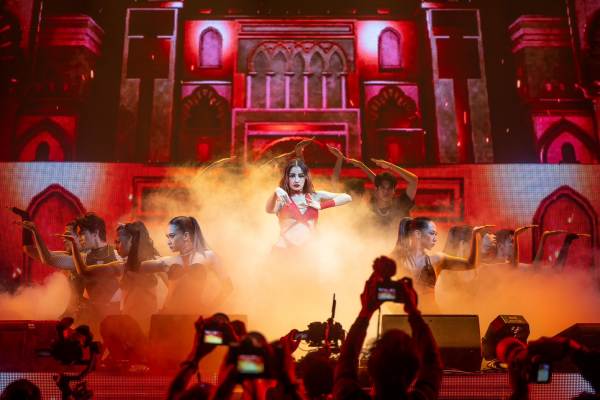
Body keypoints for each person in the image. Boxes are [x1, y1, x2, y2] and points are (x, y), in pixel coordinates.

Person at [333, 256, 443, 400]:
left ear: (370, 368)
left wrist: (365, 311)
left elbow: (345, 363)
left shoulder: (351, 397)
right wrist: (413, 311)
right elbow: (432, 362)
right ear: (413, 372)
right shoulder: (423, 398)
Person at [62, 221, 162, 333]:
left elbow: (173, 286)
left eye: (118, 242)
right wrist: (74, 246)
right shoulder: (122, 267)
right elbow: (84, 272)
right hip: (130, 327)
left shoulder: (154, 263)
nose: (115, 246)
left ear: (131, 240)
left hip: (148, 327)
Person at [390, 217, 490, 310]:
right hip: (405, 315)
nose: (435, 238)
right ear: (418, 234)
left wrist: (475, 235)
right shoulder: (395, 260)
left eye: (436, 234)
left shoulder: (438, 259)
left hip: (432, 315)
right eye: (432, 233)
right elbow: (384, 292)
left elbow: (471, 264)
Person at [139, 216, 233, 313]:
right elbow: (136, 267)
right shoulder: (167, 261)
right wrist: (139, 239)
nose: (168, 242)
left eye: (172, 236)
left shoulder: (209, 256)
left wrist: (209, 310)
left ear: (186, 236)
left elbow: (228, 287)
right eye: (167, 237)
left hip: (194, 315)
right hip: (167, 316)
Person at [265, 158, 352, 250]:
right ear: (287, 178)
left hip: (308, 252)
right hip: (283, 250)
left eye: (301, 176)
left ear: (306, 178)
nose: (296, 180)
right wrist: (276, 192)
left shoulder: (315, 196)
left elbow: (347, 197)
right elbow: (269, 210)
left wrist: (321, 205)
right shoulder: (283, 198)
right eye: (292, 176)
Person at [342, 157, 418, 227]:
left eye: (390, 188)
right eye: (383, 188)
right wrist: (361, 165)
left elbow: (414, 180)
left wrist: (390, 166)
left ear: (394, 190)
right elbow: (377, 181)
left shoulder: (401, 204)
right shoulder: (370, 208)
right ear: (376, 190)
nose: (386, 191)